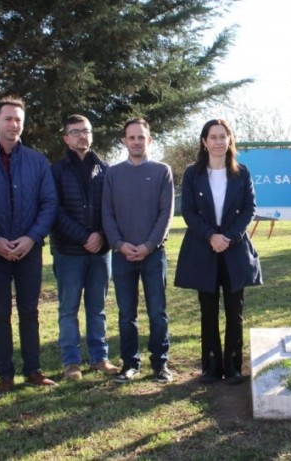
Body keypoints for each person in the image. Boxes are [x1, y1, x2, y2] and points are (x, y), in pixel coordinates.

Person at [0, 97, 58, 397]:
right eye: (8, 119)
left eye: (18, 119)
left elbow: (49, 204)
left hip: (29, 248)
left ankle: (32, 371)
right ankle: (4, 376)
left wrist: (31, 237)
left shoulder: (37, 161)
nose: (14, 124)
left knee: (30, 311)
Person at [174, 119, 262, 385]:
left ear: (230, 140)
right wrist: (211, 236)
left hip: (234, 250)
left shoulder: (242, 172)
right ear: (204, 141)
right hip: (204, 248)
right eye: (213, 137)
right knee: (208, 310)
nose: (218, 141)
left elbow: (249, 209)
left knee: (235, 311)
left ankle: (234, 367)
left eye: (223, 136)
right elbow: (188, 211)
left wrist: (229, 237)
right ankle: (212, 367)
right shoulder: (193, 174)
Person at [102, 118, 174, 384]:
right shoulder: (113, 173)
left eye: (141, 137)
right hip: (122, 256)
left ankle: (160, 364)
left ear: (149, 140)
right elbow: (106, 214)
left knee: (157, 311)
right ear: (124, 141)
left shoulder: (162, 171)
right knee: (126, 314)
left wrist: (147, 246)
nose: (136, 142)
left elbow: (166, 214)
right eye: (131, 137)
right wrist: (120, 245)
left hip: (153, 254)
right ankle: (130, 364)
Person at [50, 114, 119, 381]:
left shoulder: (105, 170)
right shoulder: (55, 171)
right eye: (75, 132)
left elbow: (111, 209)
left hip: (101, 252)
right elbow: (54, 211)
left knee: (97, 308)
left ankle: (99, 358)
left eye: (86, 131)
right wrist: (84, 237)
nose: (82, 136)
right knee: (68, 309)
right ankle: (71, 363)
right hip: (69, 252)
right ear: (66, 138)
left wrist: (101, 235)